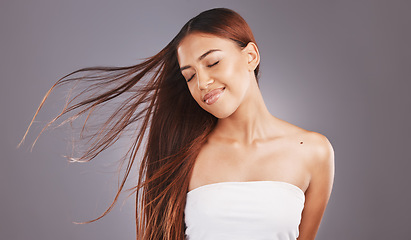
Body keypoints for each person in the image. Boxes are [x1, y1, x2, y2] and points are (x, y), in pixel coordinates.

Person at [20, 7, 334, 240]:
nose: (203, 82)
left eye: (212, 62)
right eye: (190, 76)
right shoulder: (183, 154)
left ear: (251, 56)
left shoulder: (314, 152)